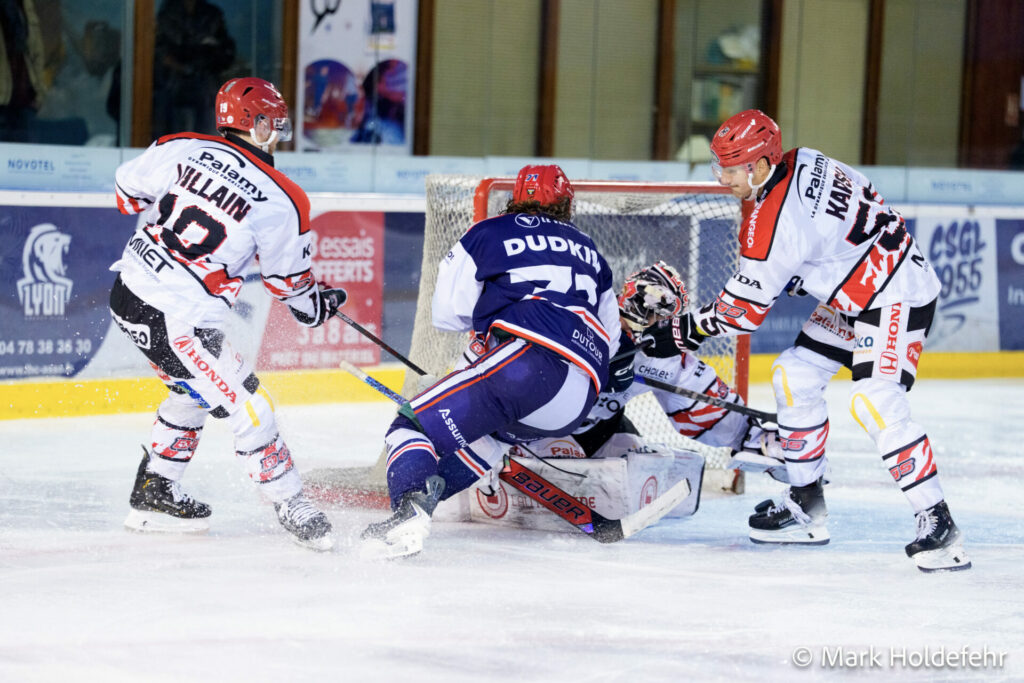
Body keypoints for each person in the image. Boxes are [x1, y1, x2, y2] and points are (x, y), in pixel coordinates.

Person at [642, 109, 970, 572]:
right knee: (793, 374)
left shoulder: (772, 221)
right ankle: (806, 503)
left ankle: (938, 522)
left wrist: (677, 332)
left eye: (731, 168)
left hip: (897, 292)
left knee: (874, 399)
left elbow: (741, 313)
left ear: (759, 166)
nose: (722, 178)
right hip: (857, 290)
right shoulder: (804, 160)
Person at [109, 77, 344, 551]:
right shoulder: (284, 198)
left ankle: (155, 487)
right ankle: (289, 500)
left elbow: (125, 195)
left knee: (192, 390)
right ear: (254, 124)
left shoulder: (181, 144)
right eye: (273, 124)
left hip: (129, 291)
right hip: (176, 321)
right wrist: (315, 307)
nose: (277, 134)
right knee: (251, 409)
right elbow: (289, 287)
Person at [360, 164, 621, 559]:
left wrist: (487, 344)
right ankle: (422, 504)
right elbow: (612, 336)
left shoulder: (489, 231)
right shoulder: (592, 251)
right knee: (490, 437)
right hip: (581, 392)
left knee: (411, 425)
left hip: (527, 367)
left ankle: (405, 515)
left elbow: (448, 314)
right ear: (567, 204)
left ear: (514, 196)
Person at [152, 0, 236, 138]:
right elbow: (159, 50)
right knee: (175, 136)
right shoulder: (168, 13)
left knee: (207, 135)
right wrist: (180, 65)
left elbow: (225, 51)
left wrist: (205, 60)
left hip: (205, 84)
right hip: (172, 86)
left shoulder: (211, 15)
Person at [0, 0, 47, 142]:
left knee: (29, 156)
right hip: (3, 103)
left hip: (25, 103)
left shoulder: (25, 4)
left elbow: (36, 50)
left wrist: (39, 91)